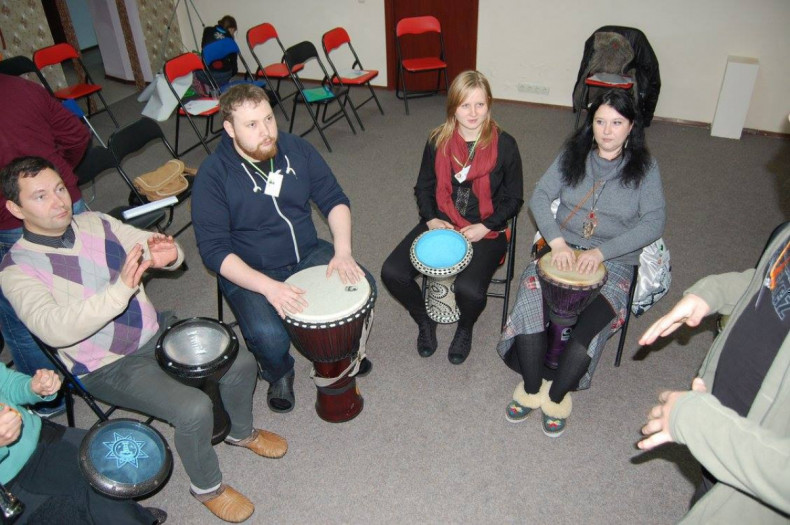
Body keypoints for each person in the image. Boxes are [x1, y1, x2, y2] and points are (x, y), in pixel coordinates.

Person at [0, 156, 287, 523]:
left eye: (59, 189)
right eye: (40, 196)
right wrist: (120, 290)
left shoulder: (95, 222)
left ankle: (241, 433)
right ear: (15, 208)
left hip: (154, 330)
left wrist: (169, 253)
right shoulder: (16, 269)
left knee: (241, 362)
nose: (58, 202)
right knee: (193, 408)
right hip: (105, 365)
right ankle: (206, 488)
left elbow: (150, 245)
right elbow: (54, 329)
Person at [191, 84, 372, 414]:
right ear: (229, 128)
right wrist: (269, 288)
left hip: (306, 251)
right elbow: (214, 251)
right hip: (250, 268)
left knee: (362, 287)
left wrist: (343, 251)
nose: (266, 132)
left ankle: (341, 354)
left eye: (268, 119)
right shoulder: (213, 175)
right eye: (252, 125)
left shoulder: (296, 149)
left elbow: (333, 198)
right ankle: (278, 372)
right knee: (269, 336)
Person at [496, 89, 665, 437]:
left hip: (614, 260)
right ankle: (531, 387)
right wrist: (557, 242)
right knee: (528, 303)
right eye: (600, 121)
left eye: (616, 122)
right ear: (591, 123)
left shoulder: (645, 169)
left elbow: (653, 223)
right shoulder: (572, 155)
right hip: (563, 248)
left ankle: (557, 396)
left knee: (588, 330)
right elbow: (540, 196)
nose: (607, 131)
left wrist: (601, 253)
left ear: (631, 126)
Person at [637, 222, 790, 523]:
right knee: (708, 495)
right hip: (724, 421)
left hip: (752, 482)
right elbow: (770, 283)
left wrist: (699, 422)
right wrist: (712, 293)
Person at [381, 70, 523, 365]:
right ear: (453, 108)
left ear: (489, 104)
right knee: (392, 272)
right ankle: (424, 319)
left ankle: (465, 328)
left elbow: (514, 199)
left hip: (486, 227)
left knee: (468, 290)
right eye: (465, 105)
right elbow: (424, 187)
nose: (473, 113)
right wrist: (431, 218)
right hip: (442, 222)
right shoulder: (437, 140)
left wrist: (485, 226)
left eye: (480, 104)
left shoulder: (505, 145)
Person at [0, 73, 91, 416]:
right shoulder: (21, 86)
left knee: (18, 313)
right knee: (90, 281)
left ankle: (48, 398)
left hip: (15, 222)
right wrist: (57, 181)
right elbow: (76, 135)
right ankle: (102, 363)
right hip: (67, 202)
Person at [0, 364, 166, 524]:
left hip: (41, 434)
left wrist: (33, 387)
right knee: (72, 509)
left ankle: (132, 516)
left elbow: (6, 382)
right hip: (10, 483)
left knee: (108, 467)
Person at [200, 15, 238, 88]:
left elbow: (203, 47)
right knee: (226, 66)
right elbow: (235, 69)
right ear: (231, 28)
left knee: (195, 68)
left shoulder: (207, 30)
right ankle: (221, 85)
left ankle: (206, 88)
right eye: (234, 31)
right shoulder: (230, 40)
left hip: (207, 74)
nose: (233, 33)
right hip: (224, 75)